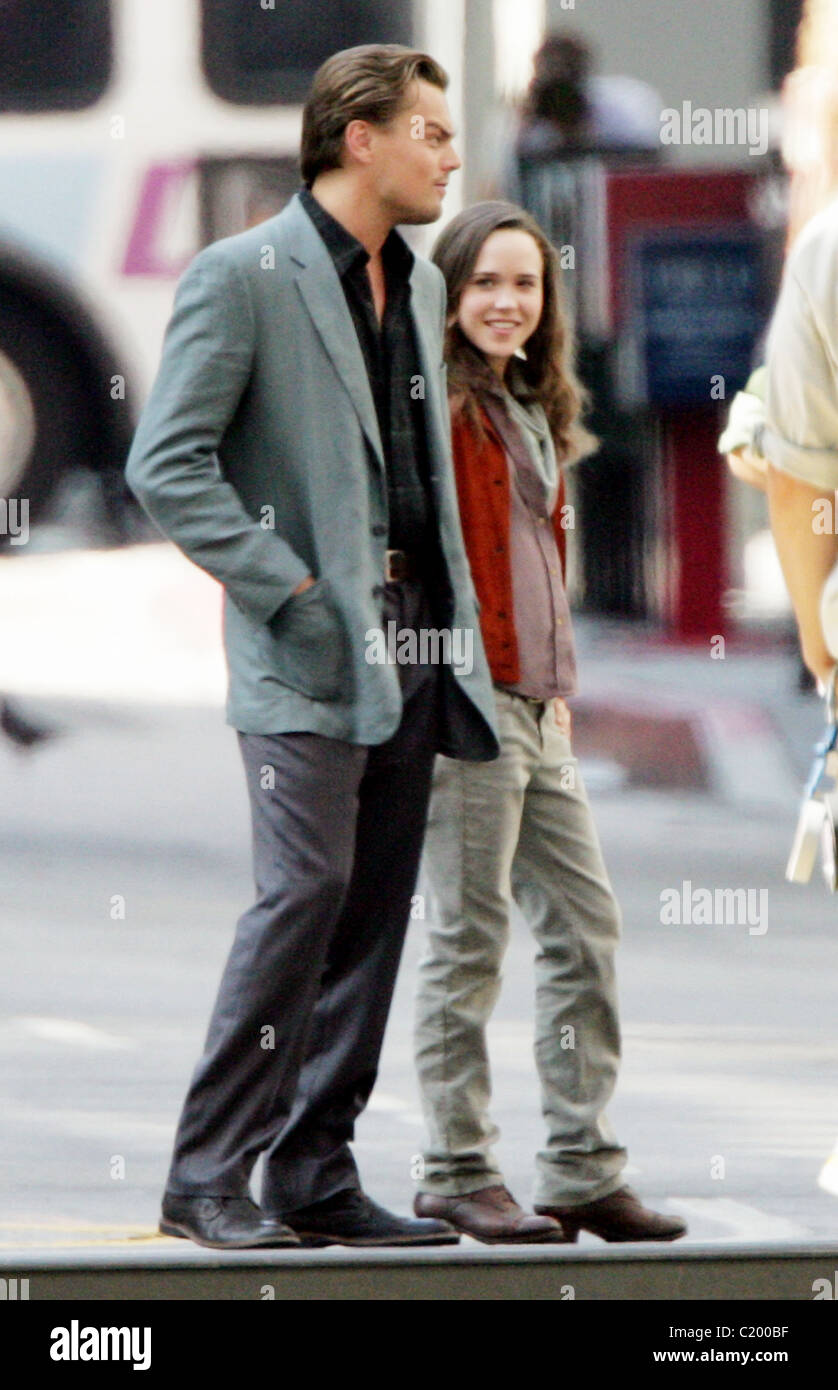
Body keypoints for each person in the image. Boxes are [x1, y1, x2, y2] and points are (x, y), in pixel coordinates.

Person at [125, 43, 500, 1251]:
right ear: (360, 139)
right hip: (306, 637)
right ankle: (203, 1176)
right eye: (432, 133)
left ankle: (314, 1169)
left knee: (374, 908)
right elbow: (165, 464)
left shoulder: (426, 286)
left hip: (414, 637)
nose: (450, 156)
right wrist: (285, 588)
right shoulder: (245, 276)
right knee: (305, 895)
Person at [410, 201, 688, 1244]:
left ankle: (578, 1164)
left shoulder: (529, 402)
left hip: (538, 706)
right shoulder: (433, 405)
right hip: (469, 710)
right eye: (484, 281)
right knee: (469, 937)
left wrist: (557, 686)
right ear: (449, 290)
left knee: (582, 927)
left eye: (523, 284)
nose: (505, 301)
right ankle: (454, 1166)